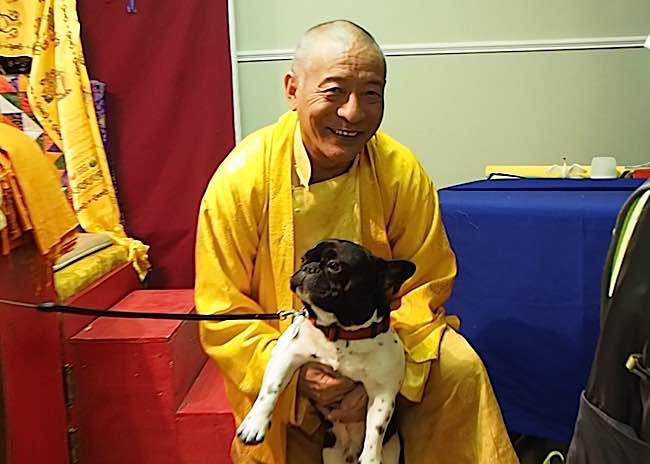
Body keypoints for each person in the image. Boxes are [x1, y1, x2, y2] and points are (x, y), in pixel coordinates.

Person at [195, 20, 518, 464]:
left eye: (371, 94)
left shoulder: (399, 171)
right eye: (333, 92)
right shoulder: (240, 181)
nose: (352, 113)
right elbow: (222, 314)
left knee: (461, 370)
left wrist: (373, 369)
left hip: (385, 344)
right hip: (287, 356)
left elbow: (426, 284)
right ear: (292, 89)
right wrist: (307, 375)